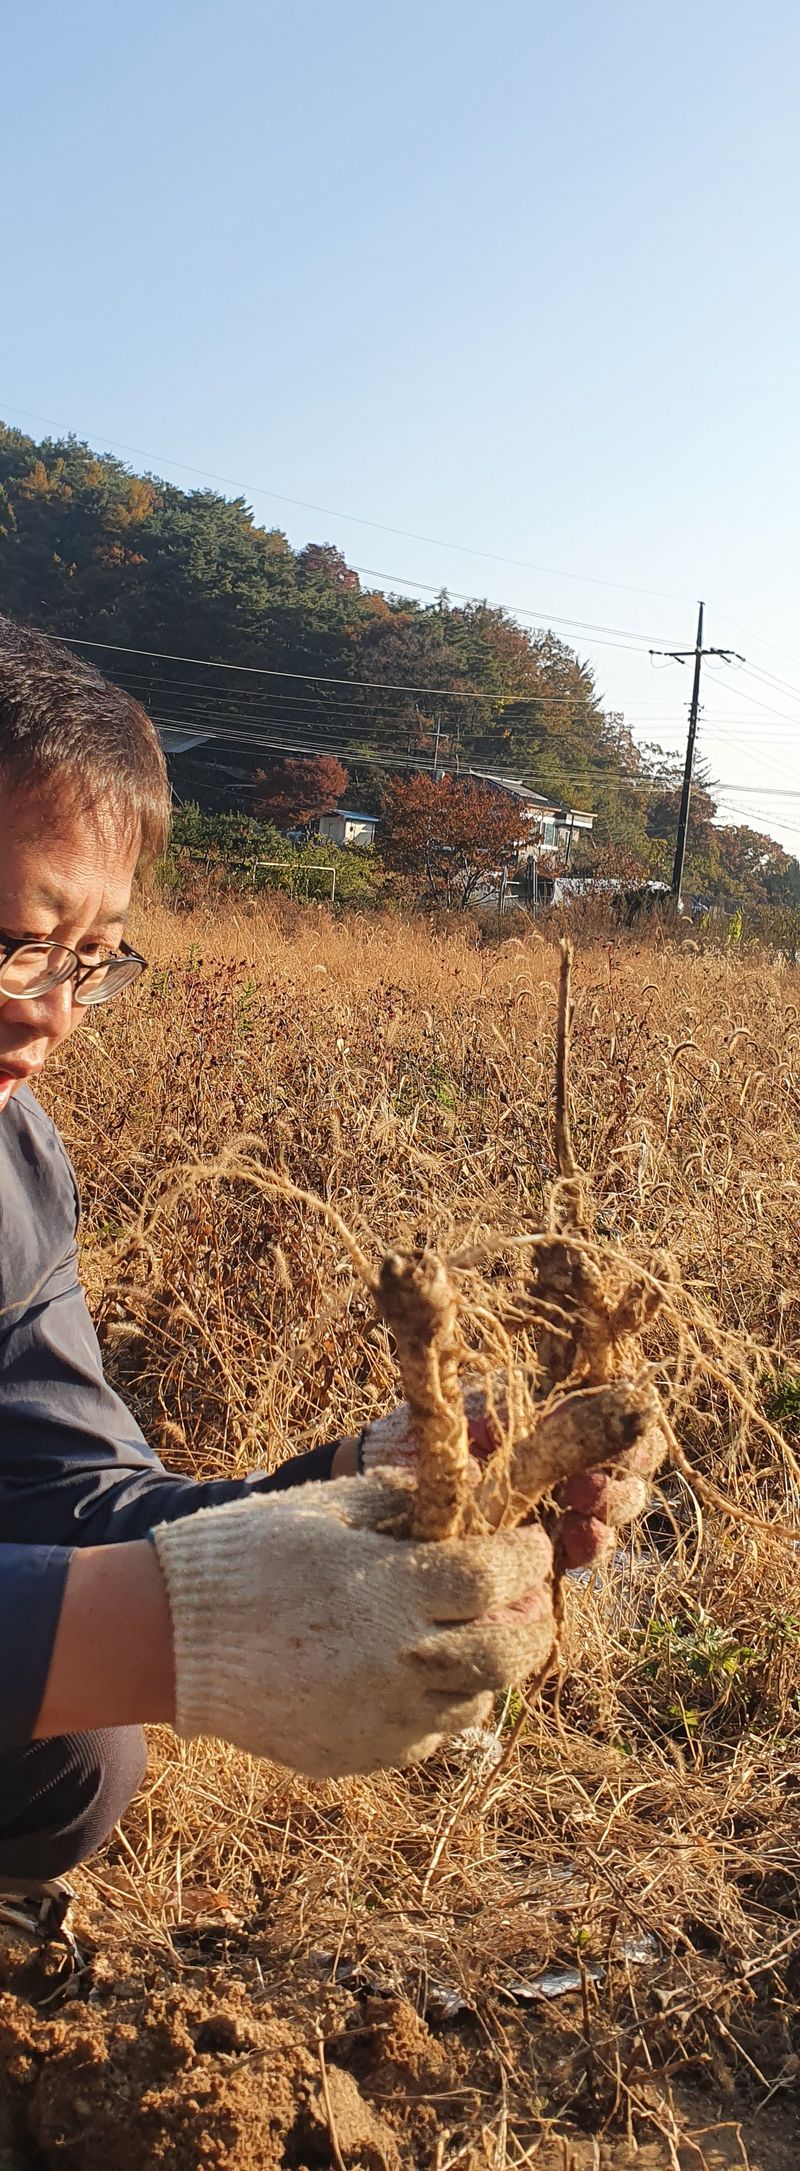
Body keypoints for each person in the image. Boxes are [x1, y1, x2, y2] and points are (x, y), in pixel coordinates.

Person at [0, 616, 657, 1919]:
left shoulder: (11, 1159)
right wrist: (167, 1628)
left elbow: (60, 1487)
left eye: (93, 959)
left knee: (68, 1753)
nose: (54, 1010)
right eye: (19, 939)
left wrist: (353, 1489)